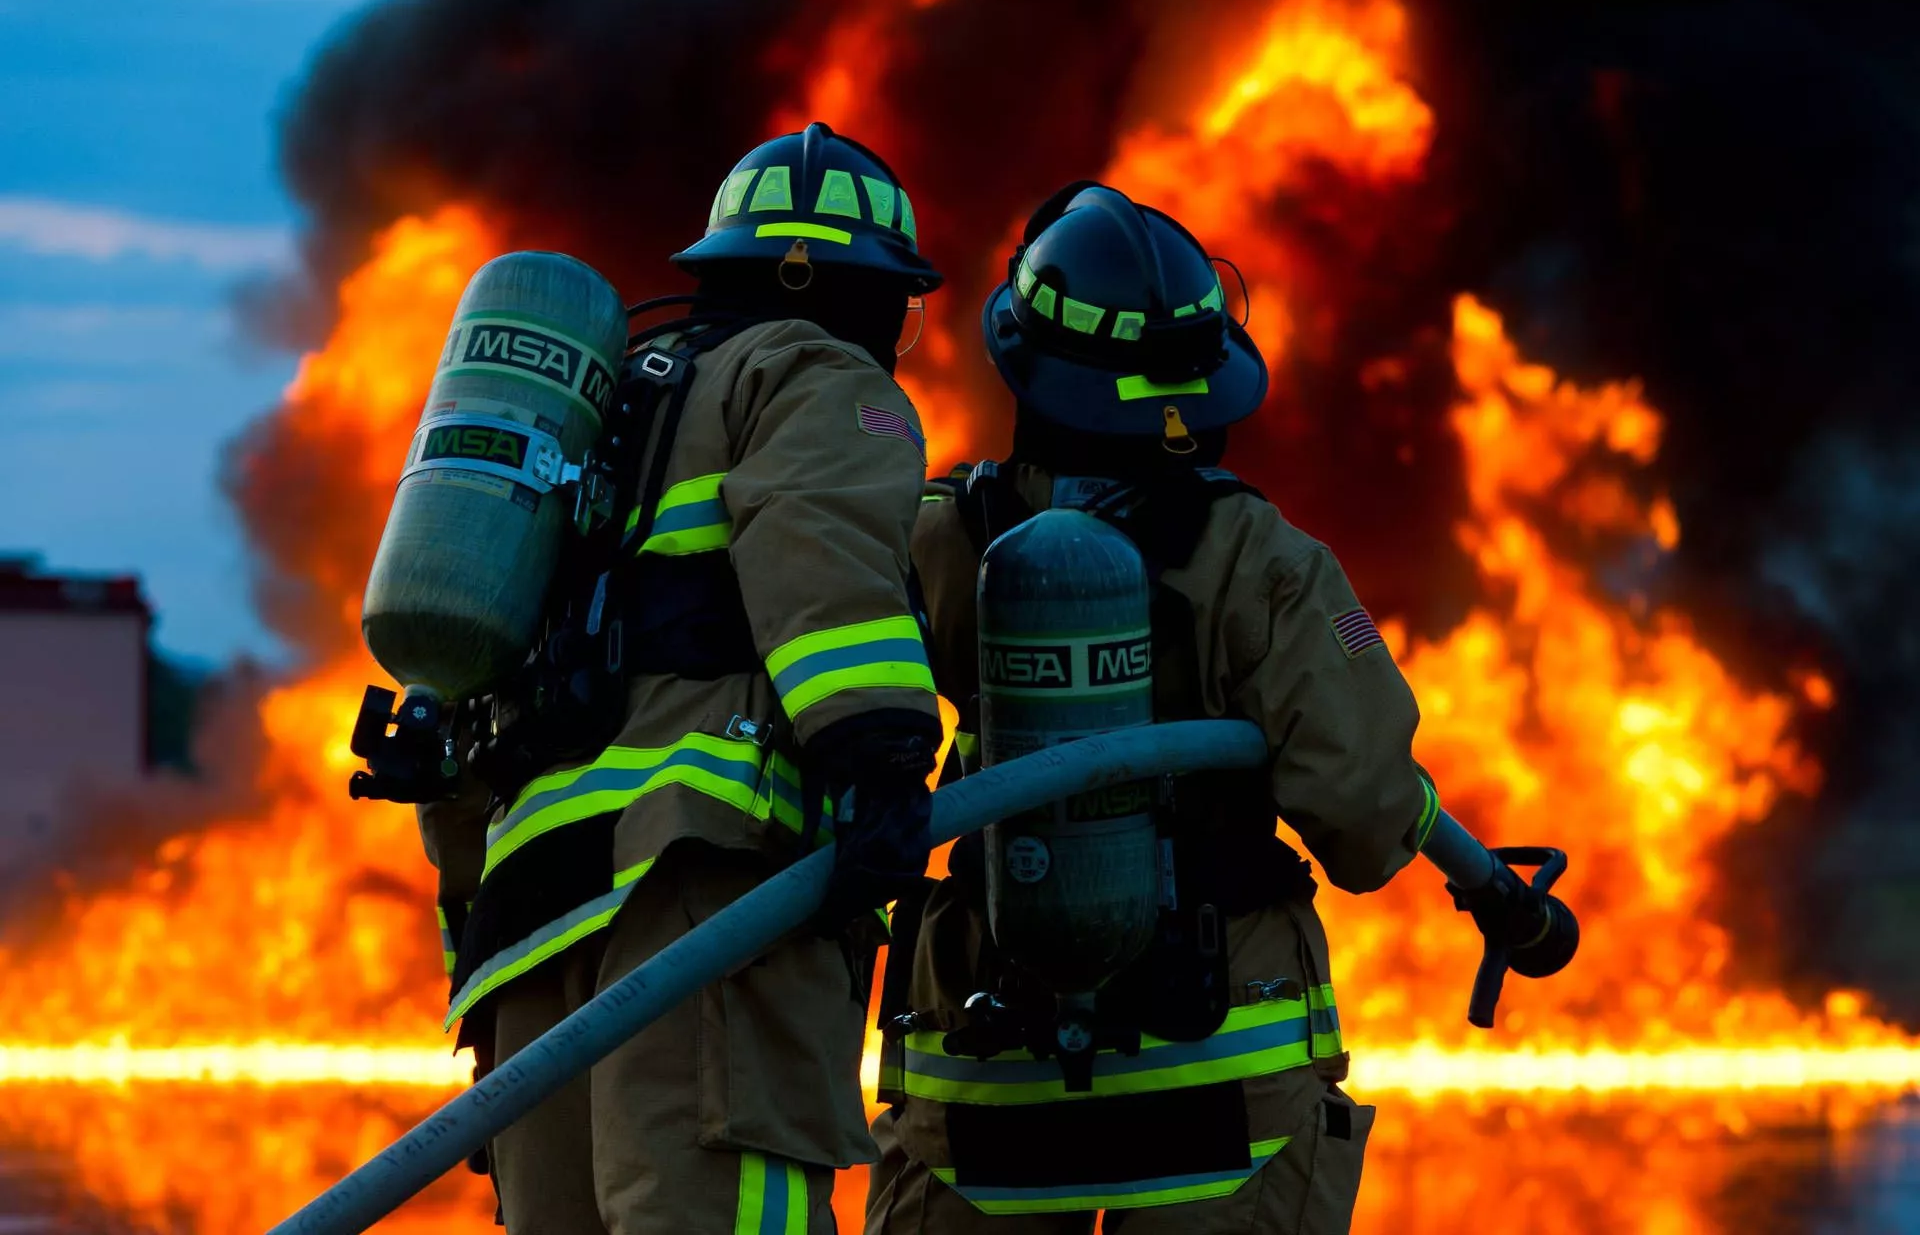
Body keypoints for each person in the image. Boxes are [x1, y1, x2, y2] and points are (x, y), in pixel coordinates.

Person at [866, 181, 1446, 1233]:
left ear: (1028, 370)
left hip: (992, 1089)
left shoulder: (940, 540)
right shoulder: (1263, 561)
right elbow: (1365, 819)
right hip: (1220, 1083)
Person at [423, 122, 947, 1234]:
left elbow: (475, 706)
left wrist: (469, 908)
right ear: (866, 295)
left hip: (529, 917)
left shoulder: (597, 421)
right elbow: (820, 553)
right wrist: (881, 756)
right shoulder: (810, 373)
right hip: (699, 891)